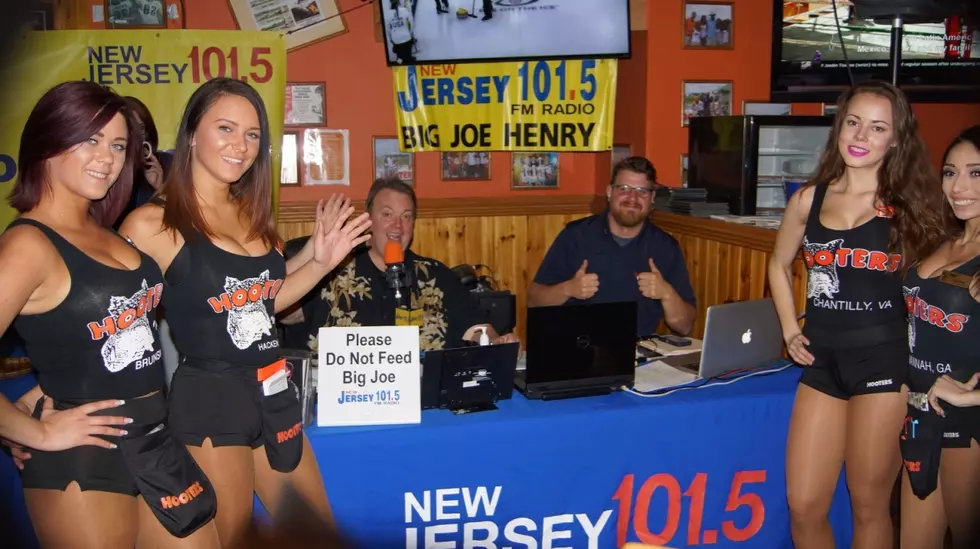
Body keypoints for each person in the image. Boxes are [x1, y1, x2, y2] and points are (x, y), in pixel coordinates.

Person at [119, 77, 371, 547]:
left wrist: (320, 259)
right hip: (211, 402)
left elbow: (264, 303)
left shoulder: (252, 213)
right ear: (193, 133)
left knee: (319, 534)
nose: (241, 145)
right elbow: (111, 316)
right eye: (226, 129)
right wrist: (50, 393)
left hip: (274, 392)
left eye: (252, 134)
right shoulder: (152, 223)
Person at [1, 80, 220, 548]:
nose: (106, 156)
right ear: (47, 141)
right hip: (84, 460)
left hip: (155, 441)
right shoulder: (27, 244)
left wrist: (53, 382)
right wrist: (34, 430)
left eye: (118, 144)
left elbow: (95, 332)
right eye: (88, 140)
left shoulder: (109, 231)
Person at [767, 80, 946, 549]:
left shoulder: (909, 209)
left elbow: (938, 286)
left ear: (895, 139)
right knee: (803, 504)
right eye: (853, 121)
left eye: (877, 126)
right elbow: (778, 263)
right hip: (821, 362)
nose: (861, 134)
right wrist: (789, 329)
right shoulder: (809, 199)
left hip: (883, 364)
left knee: (868, 504)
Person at [282, 177, 519, 354]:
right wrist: (313, 249)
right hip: (344, 402)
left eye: (406, 216)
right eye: (387, 214)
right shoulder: (331, 271)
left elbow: (475, 327)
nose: (397, 226)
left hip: (422, 404)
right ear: (368, 220)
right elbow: (278, 304)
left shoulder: (434, 275)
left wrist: (496, 341)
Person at [900, 125, 980, 549]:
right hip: (921, 414)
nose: (960, 186)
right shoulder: (944, 241)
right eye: (951, 172)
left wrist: (973, 396)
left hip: (968, 425)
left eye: (976, 173)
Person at [527, 156, 696, 337]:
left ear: (652, 198)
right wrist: (568, 289)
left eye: (642, 191)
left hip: (638, 354)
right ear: (609, 192)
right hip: (578, 348)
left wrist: (667, 293)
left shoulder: (665, 246)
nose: (632, 198)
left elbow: (685, 327)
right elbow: (533, 300)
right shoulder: (576, 236)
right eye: (624, 189)